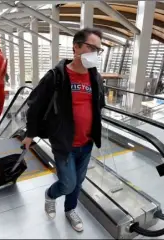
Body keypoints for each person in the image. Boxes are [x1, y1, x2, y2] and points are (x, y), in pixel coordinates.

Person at [22, 28, 105, 232]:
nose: (95, 53)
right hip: (64, 143)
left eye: (99, 50)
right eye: (91, 47)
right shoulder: (56, 76)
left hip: (86, 143)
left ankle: (70, 210)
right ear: (76, 47)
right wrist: (30, 134)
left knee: (78, 183)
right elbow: (35, 105)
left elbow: (98, 105)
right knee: (68, 184)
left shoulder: (96, 78)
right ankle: (50, 195)